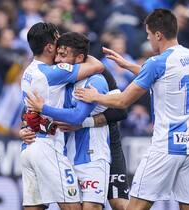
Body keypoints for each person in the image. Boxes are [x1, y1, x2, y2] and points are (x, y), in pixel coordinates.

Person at [74, 9, 189, 210]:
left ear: (158, 35)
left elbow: (123, 101)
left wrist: (96, 97)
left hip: (166, 146)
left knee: (134, 207)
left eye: (149, 35)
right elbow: (165, 76)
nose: (149, 39)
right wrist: (127, 65)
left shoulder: (156, 63)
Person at [26, 32, 129, 210]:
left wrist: (81, 123)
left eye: (63, 55)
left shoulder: (99, 77)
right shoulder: (61, 78)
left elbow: (119, 111)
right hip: (67, 153)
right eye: (57, 53)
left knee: (116, 204)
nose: (57, 59)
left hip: (97, 150)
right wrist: (25, 127)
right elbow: (31, 106)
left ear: (80, 57)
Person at [20, 22, 104, 210]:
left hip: (27, 148)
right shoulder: (53, 73)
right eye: (58, 42)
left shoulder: (28, 72)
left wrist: (23, 129)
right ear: (49, 47)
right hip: (48, 148)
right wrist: (78, 49)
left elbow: (25, 112)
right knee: (73, 207)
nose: (60, 46)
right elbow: (97, 66)